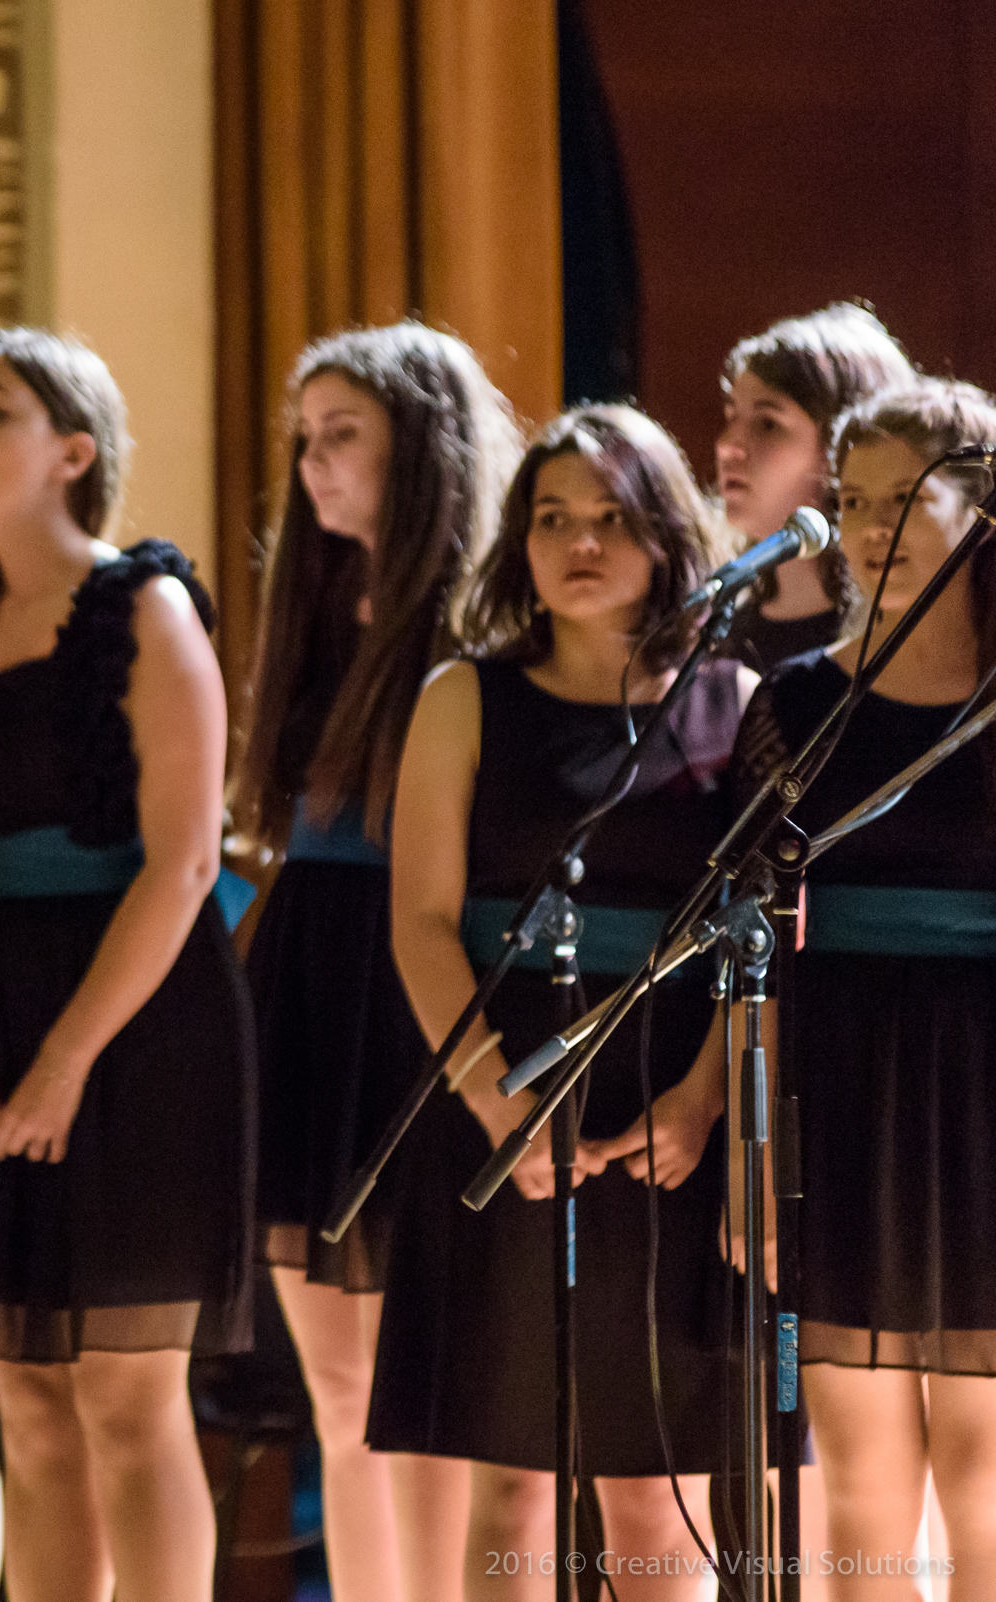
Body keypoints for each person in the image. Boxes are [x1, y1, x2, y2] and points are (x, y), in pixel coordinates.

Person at [0, 327, 254, 1602]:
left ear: (72, 452)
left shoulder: (143, 605)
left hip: (138, 1023)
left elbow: (185, 863)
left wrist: (66, 1062)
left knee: (125, 1404)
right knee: (33, 1409)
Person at [374, 404, 743, 1601]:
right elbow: (422, 921)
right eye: (551, 519)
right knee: (514, 1482)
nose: (581, 543)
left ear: (669, 535)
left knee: (655, 1484)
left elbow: (758, 937)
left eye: (612, 518)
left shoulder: (736, 701)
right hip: (504, 1077)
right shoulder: (463, 696)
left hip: (670, 1097)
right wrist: (496, 1100)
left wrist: (703, 1098)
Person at [233, 323, 516, 1602]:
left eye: (342, 435)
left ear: (423, 447)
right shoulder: (310, 606)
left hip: (415, 988)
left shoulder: (483, 621)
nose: (313, 464)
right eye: (305, 439)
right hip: (310, 982)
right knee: (338, 1394)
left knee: (421, 1390)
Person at [739, 380, 996, 1600]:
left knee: (986, 1472)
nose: (873, 528)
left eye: (907, 499)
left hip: (986, 1086)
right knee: (860, 1476)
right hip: (842, 1085)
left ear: (983, 510)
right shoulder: (795, 703)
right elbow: (751, 942)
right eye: (853, 502)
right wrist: (753, 1144)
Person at [715, 304, 913, 669]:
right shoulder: (716, 640)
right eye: (731, 417)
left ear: (846, 447)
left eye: (767, 424)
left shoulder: (898, 647)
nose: (727, 446)